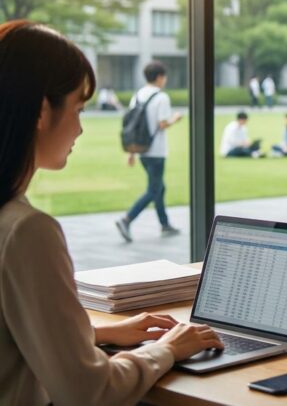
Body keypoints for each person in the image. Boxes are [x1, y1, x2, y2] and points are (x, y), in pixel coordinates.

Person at [0, 20, 223, 405]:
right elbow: (89, 391)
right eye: (77, 109)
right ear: (41, 111)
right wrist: (168, 348)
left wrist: (96, 333)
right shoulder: (27, 232)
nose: (80, 129)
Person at [115, 61, 183, 242]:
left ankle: (165, 224)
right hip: (156, 151)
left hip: (141, 150)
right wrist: (175, 118)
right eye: (165, 77)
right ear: (160, 77)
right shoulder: (161, 97)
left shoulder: (137, 96)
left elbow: (132, 126)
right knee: (154, 190)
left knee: (159, 187)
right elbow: (162, 123)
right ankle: (126, 219)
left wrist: (131, 152)